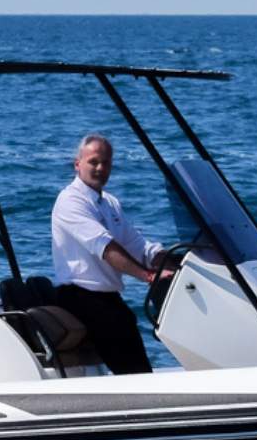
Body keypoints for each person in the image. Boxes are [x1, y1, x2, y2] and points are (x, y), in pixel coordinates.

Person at [50, 133, 173, 374]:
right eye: (93, 161)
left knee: (128, 326)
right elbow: (106, 248)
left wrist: (169, 260)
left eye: (106, 163)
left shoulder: (109, 203)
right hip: (79, 297)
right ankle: (144, 404)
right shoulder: (70, 201)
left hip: (106, 298)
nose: (100, 168)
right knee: (133, 364)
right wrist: (148, 276)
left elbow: (136, 244)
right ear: (78, 164)